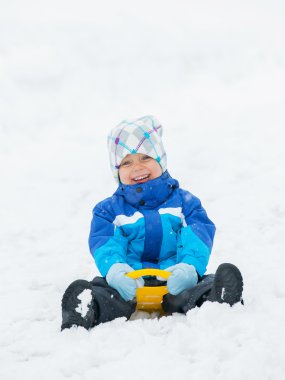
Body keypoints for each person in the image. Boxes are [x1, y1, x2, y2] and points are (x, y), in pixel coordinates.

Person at [61, 115, 243, 330]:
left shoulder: (185, 204)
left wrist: (190, 268)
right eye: (127, 162)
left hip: (176, 279)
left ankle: (217, 296)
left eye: (145, 158)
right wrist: (115, 269)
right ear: (117, 171)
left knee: (200, 286)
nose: (137, 167)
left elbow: (198, 233)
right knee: (102, 290)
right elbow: (105, 241)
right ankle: (85, 308)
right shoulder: (108, 211)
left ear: (161, 161)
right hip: (128, 282)